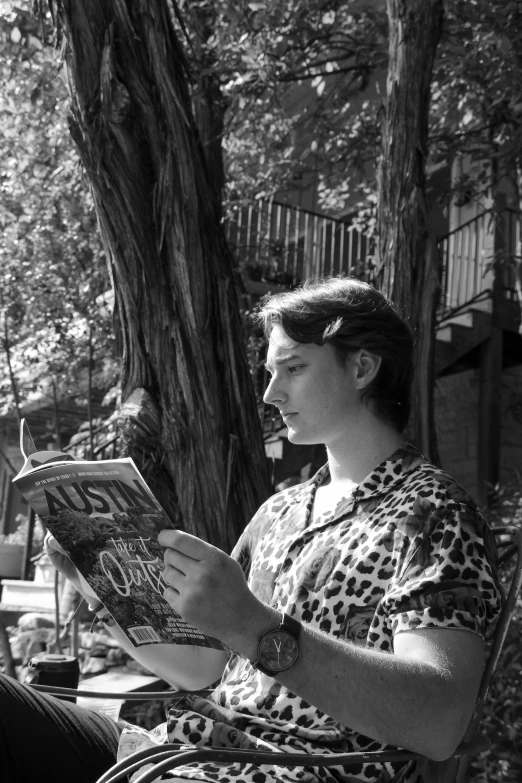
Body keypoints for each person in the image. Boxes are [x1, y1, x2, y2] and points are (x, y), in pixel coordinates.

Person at [0, 277, 501, 783]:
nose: (270, 392)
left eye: (294, 368)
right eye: (270, 372)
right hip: (185, 756)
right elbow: (204, 666)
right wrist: (98, 581)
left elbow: (439, 722)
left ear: (363, 367)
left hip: (281, 772)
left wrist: (253, 624)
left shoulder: (433, 513)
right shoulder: (280, 511)